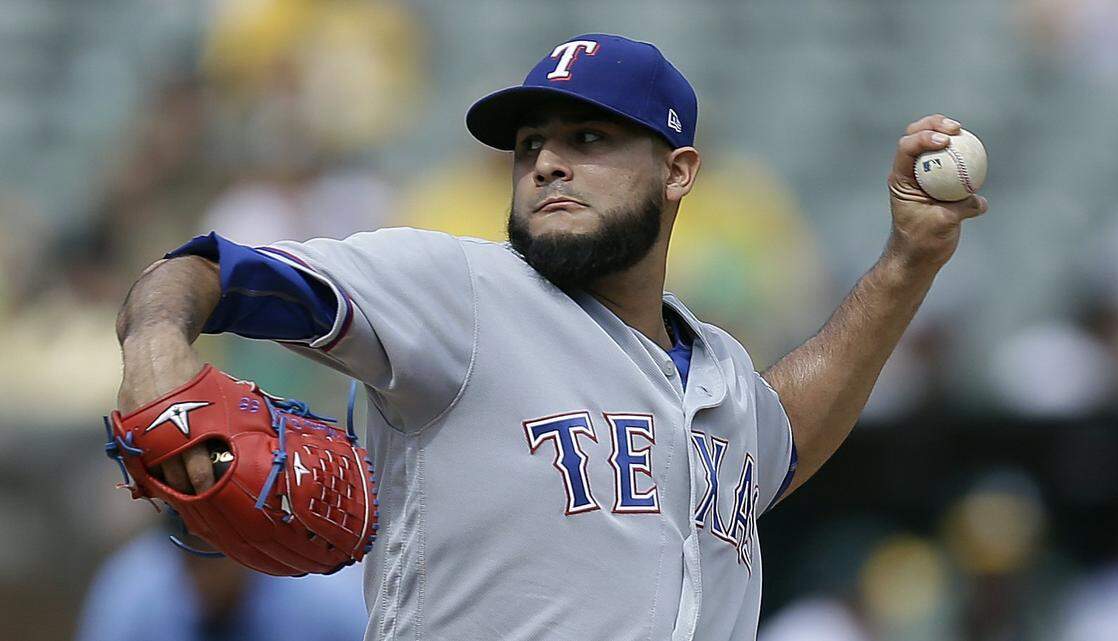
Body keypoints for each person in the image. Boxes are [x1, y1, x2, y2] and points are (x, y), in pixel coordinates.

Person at [114, 34, 987, 641]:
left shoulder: (718, 370)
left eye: (589, 137)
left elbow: (781, 438)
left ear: (679, 171)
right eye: (530, 144)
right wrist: (157, 349)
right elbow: (209, 270)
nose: (547, 162)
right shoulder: (458, 291)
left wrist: (908, 260)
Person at [75, 526, 367, 641]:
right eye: (190, 559)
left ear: (248, 549)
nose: (201, 579)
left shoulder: (318, 586)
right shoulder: (134, 587)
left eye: (212, 557)